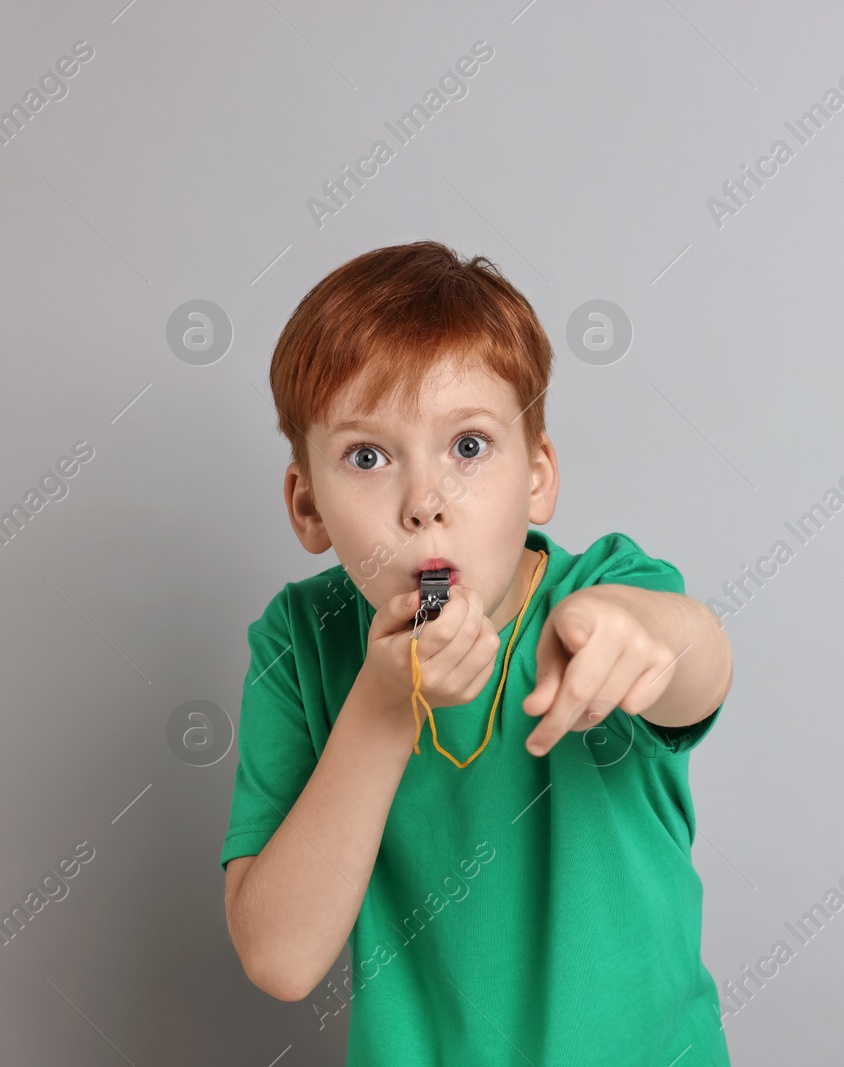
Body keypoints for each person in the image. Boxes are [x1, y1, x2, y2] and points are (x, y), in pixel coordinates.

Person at [219, 240, 733, 1066]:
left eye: (467, 447)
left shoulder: (602, 590)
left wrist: (647, 630)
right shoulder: (300, 642)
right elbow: (279, 957)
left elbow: (698, 664)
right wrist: (383, 711)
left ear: (537, 475)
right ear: (307, 505)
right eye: (367, 456)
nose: (425, 503)